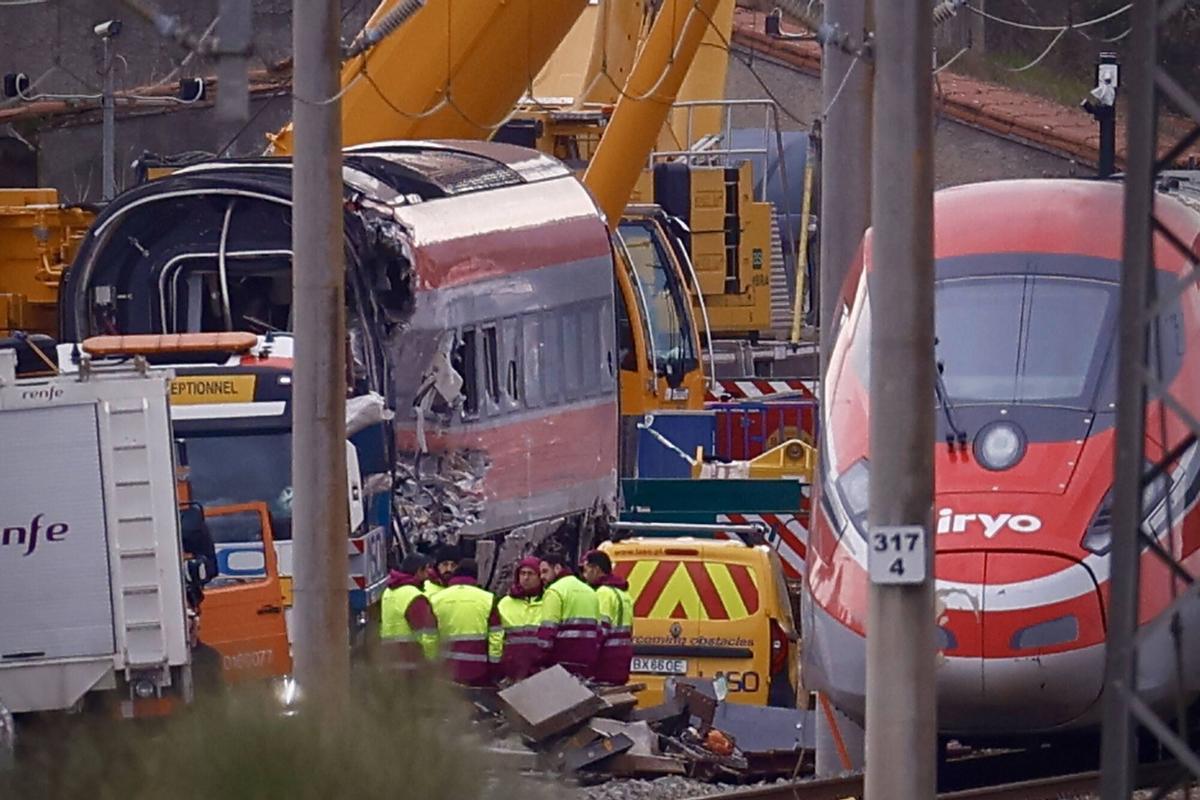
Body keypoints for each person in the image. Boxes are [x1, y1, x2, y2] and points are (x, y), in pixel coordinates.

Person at [429, 559, 501, 687]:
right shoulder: (488, 599)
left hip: (446, 669)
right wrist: (494, 666)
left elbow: (430, 637)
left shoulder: (436, 599)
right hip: (478, 669)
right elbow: (496, 636)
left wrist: (432, 663)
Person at [537, 552, 601, 679]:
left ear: (557, 568)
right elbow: (598, 630)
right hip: (586, 662)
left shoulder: (554, 591)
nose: (542, 577)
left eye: (545, 571)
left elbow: (547, 630)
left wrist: (539, 659)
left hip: (561, 662)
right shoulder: (590, 591)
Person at [581, 550, 634, 686]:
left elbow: (599, 632)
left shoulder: (603, 593)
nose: (584, 575)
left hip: (605, 664)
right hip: (621, 663)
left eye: (586, 569)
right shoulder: (624, 594)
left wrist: (585, 661)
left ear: (596, 569)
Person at [379, 554, 439, 667]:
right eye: (426, 570)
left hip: (389, 659)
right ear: (418, 571)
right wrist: (432, 660)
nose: (428, 575)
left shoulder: (388, 592)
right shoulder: (415, 597)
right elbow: (426, 634)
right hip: (412, 662)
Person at [494, 556, 545, 683]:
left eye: (531, 574)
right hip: (509, 672)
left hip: (540, 670)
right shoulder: (505, 603)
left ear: (539, 577)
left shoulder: (549, 601)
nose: (526, 578)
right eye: (522, 573)